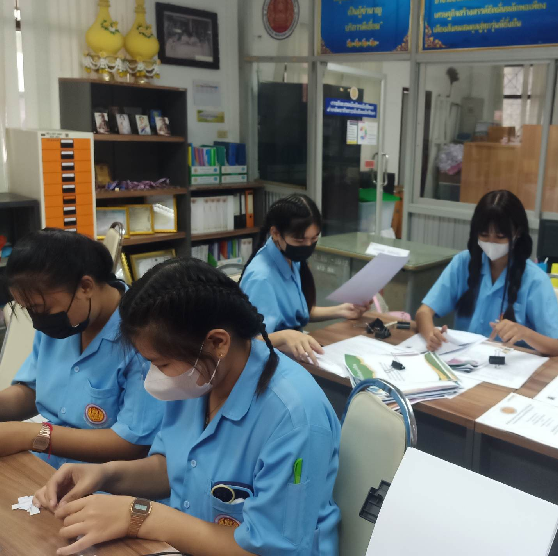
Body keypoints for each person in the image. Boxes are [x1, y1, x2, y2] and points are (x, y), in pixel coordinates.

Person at [33, 259, 341, 556]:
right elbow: (173, 468)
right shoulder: (200, 378)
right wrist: (105, 475)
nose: (156, 377)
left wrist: (139, 515)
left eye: (162, 364)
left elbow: (268, 548)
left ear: (218, 342)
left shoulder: (293, 416)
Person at [0, 229, 163, 468]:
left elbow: (131, 443)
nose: (38, 320)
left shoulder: (144, 337)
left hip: (104, 480)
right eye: (29, 309)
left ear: (85, 286)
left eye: (41, 308)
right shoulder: (62, 322)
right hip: (45, 464)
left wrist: (30, 435)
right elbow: (32, 391)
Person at [416, 190, 558, 357]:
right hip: (462, 361)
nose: (491, 242)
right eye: (484, 235)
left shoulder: (535, 280)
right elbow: (424, 312)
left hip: (509, 367)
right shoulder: (463, 263)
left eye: (500, 236)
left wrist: (525, 333)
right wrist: (431, 335)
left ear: (517, 232)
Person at [239, 194, 367, 364]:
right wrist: (285, 336)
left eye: (314, 238)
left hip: (290, 354)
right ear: (276, 233)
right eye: (299, 240)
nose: (307, 246)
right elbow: (248, 343)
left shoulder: (290, 257)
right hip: (268, 363)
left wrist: (340, 310)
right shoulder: (261, 278)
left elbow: (295, 313)